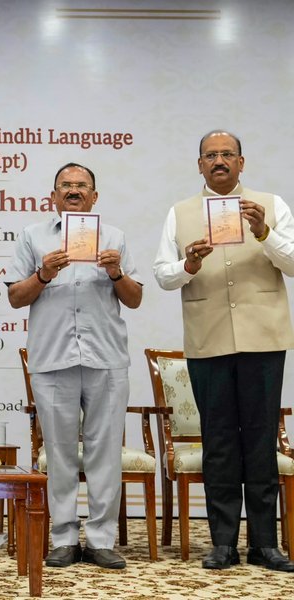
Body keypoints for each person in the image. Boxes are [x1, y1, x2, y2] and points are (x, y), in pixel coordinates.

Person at [153, 130, 294, 572]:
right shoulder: (180, 213)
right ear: (199, 165)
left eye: (227, 155)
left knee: (259, 440)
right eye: (210, 156)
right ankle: (223, 543)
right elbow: (162, 275)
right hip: (208, 340)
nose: (219, 161)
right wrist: (188, 264)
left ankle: (266, 545)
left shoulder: (271, 205)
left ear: (241, 162)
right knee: (218, 444)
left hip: (264, 338)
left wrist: (263, 232)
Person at [7, 163, 142, 570]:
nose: (73, 190)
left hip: (106, 359)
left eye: (81, 185)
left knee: (105, 454)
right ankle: (64, 537)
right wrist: (43, 274)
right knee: (60, 454)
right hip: (52, 358)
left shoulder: (114, 238)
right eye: (65, 185)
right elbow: (15, 297)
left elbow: (134, 299)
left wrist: (116, 272)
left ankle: (101, 539)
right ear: (53, 195)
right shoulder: (32, 236)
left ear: (94, 197)